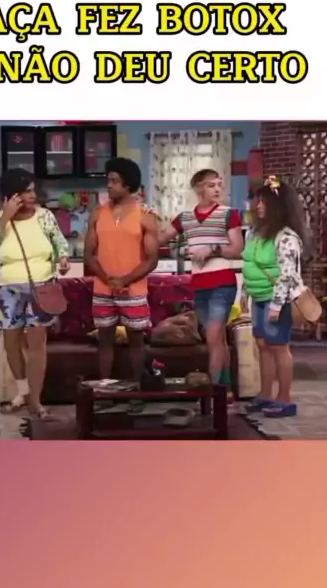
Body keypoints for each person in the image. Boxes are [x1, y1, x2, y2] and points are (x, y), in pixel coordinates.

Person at [0, 168, 70, 419]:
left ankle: (35, 400)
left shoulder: (45, 216)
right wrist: (5, 218)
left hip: (42, 287)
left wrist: (62, 258)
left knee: (37, 344)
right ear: (12, 196)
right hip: (8, 289)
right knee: (11, 341)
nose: (33, 196)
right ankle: (22, 391)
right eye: (26, 192)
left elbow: (59, 242)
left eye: (32, 190)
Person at [160, 169, 243, 398]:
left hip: (223, 284)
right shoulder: (185, 218)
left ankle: (212, 394)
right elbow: (160, 238)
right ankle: (226, 389)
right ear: (198, 189)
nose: (217, 189)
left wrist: (212, 249)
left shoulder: (228, 214)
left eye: (219, 185)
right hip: (200, 287)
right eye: (211, 185)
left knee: (213, 336)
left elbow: (237, 249)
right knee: (217, 339)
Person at [84, 157, 159, 382]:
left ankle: (138, 389)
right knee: (105, 341)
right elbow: (89, 255)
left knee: (136, 340)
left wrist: (124, 280)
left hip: (133, 290)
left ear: (128, 185)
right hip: (103, 289)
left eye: (114, 181)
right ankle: (104, 388)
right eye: (108, 180)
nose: (109, 186)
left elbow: (152, 259)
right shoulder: (97, 213)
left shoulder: (145, 215)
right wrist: (108, 279)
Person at [242, 176, 308, 418]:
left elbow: (287, 275)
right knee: (262, 345)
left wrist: (276, 305)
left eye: (264, 201)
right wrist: (245, 292)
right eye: (257, 200)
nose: (258, 205)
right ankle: (265, 394)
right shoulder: (255, 233)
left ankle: (285, 399)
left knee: (279, 347)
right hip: (258, 297)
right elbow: (249, 263)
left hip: (277, 301)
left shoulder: (287, 237)